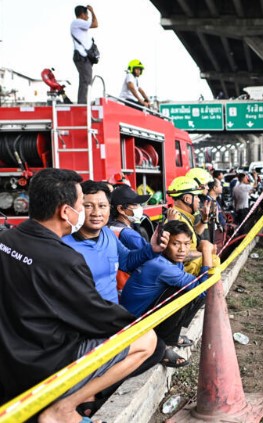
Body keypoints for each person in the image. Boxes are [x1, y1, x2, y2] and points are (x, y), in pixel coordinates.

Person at [0, 168, 159, 422]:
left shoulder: (7, 239)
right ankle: (62, 409)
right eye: (82, 206)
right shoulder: (65, 259)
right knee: (147, 341)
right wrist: (137, 322)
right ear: (66, 212)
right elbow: (97, 317)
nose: (90, 213)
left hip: (11, 353)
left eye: (101, 205)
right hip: (43, 361)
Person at [121, 220, 215, 367]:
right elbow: (203, 290)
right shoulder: (161, 266)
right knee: (186, 291)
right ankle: (163, 347)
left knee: (188, 290)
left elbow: (188, 256)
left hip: (144, 312)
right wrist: (207, 253)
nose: (182, 250)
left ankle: (173, 335)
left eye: (186, 244)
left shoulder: (169, 258)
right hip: (133, 323)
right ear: (164, 244)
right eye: (176, 244)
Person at [63, 181, 166, 304]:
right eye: (88, 206)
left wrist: (151, 249)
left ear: (109, 208)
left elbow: (126, 261)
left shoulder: (107, 234)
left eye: (102, 206)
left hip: (112, 317)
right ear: (77, 208)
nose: (96, 213)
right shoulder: (64, 246)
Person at [108, 184, 151, 250]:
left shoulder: (109, 227)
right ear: (121, 209)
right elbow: (151, 253)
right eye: (135, 204)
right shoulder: (129, 235)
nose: (139, 208)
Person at [70, 5, 98, 104]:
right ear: (82, 14)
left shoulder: (79, 24)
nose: (88, 17)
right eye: (87, 14)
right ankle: (82, 104)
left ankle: (83, 103)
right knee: (86, 81)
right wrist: (93, 11)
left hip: (84, 57)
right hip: (81, 57)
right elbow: (95, 24)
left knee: (86, 80)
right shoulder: (77, 22)